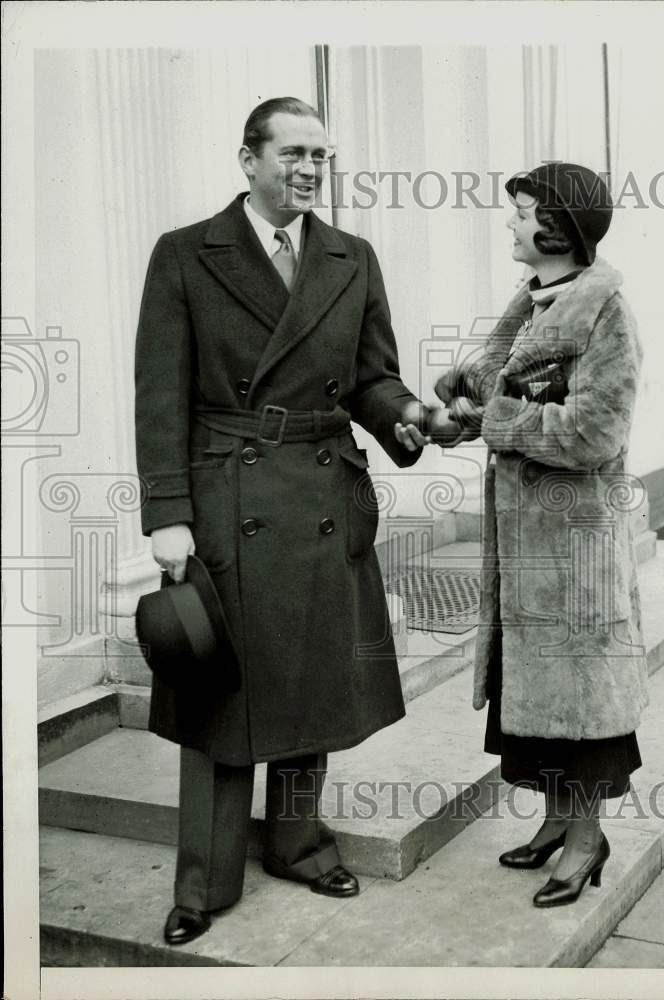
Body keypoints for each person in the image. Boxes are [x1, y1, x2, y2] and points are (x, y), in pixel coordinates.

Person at [134, 96, 430, 945]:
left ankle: (299, 845)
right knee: (216, 690)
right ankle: (204, 882)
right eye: (293, 153)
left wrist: (409, 415)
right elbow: (159, 395)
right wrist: (168, 513)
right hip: (227, 496)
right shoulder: (186, 253)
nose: (309, 170)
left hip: (323, 490)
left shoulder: (350, 256)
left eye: (320, 156)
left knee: (310, 678)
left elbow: (372, 379)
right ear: (249, 160)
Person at [431, 162, 649, 907]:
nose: (511, 222)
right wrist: (464, 398)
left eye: (522, 212)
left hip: (575, 546)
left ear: (557, 227)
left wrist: (496, 417)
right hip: (528, 545)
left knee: (582, 701)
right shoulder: (533, 298)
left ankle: (587, 841)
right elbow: (502, 391)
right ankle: (557, 823)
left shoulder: (605, 311)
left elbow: (594, 430)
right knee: (538, 698)